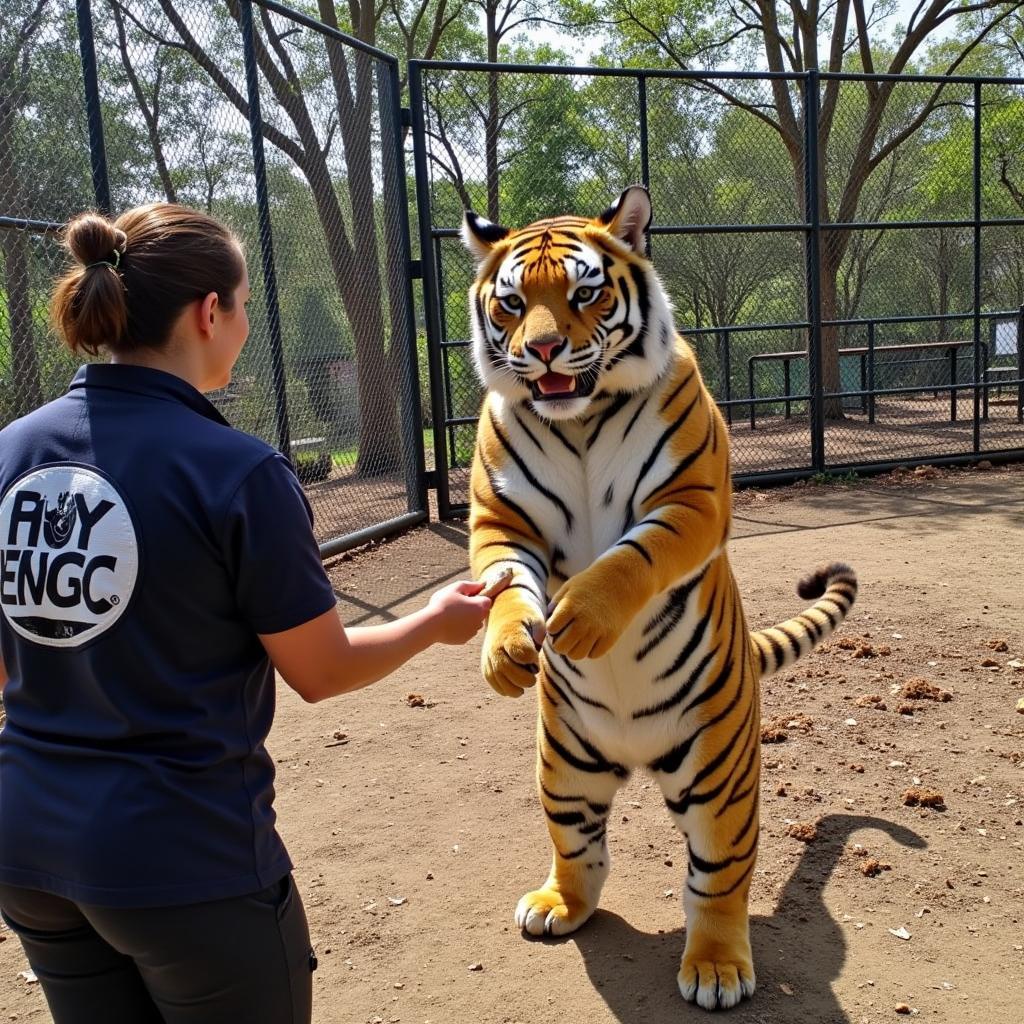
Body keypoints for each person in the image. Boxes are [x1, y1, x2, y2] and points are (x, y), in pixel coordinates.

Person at [0, 203, 494, 1024]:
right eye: (244, 305)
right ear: (208, 313)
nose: (245, 325)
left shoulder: (12, 450)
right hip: (183, 859)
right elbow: (321, 669)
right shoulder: (237, 470)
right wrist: (433, 622)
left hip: (26, 845)